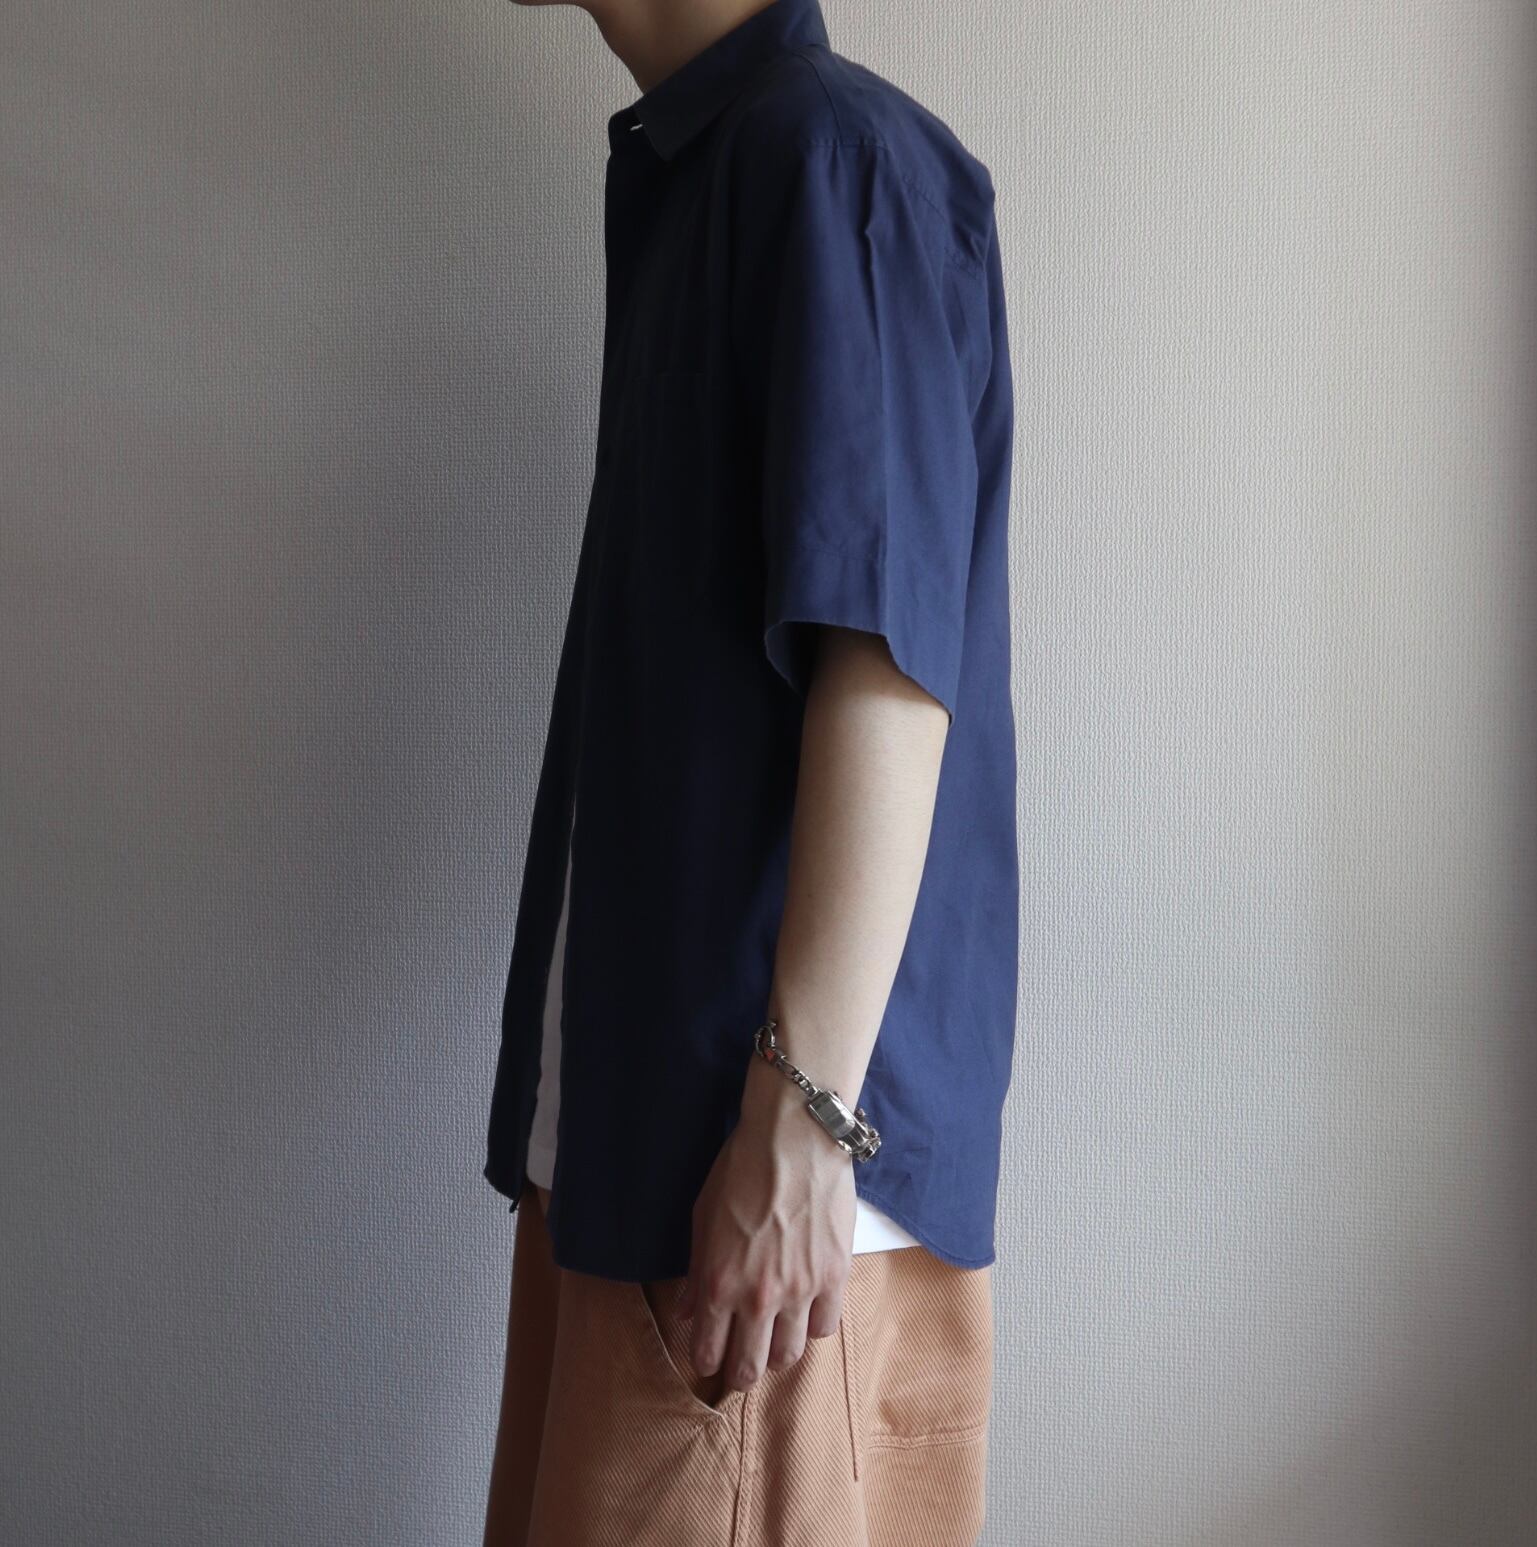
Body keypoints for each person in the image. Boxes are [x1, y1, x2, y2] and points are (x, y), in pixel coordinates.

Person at [482, 0, 1018, 1541]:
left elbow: (889, 668)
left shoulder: (827, 159)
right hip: (669, 1187)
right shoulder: (725, 170)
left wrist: (804, 1126)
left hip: (753, 1231)